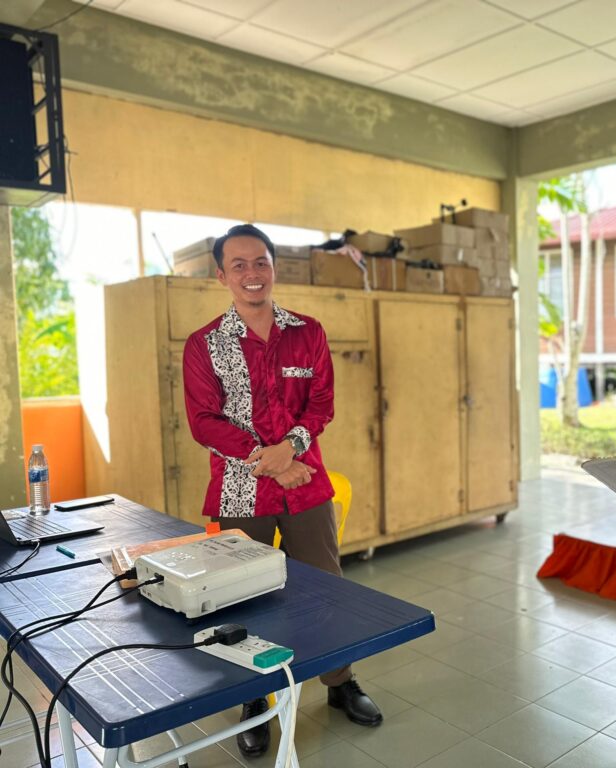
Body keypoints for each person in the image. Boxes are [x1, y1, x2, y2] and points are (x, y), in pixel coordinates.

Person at [182, 224, 382, 759]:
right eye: (239, 265)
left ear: (274, 268)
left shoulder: (308, 332)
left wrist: (288, 451)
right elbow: (204, 422)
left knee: (326, 586)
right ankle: (254, 698)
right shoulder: (204, 344)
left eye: (261, 263)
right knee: (241, 595)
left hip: (305, 483)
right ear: (221, 275)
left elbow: (321, 405)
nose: (252, 274)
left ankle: (340, 681)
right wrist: (267, 461)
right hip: (239, 492)